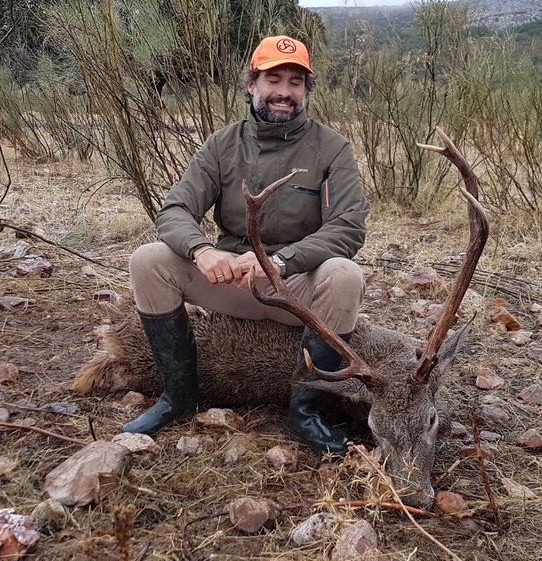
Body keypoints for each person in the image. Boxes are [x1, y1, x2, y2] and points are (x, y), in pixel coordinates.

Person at [123, 35, 369, 453]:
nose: (284, 92)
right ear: (252, 84)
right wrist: (203, 251)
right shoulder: (222, 145)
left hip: (296, 287)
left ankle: (307, 412)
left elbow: (348, 227)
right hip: (231, 282)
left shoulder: (331, 148)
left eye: (295, 82)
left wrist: (283, 261)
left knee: (345, 275)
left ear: (306, 90)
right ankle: (178, 397)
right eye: (273, 79)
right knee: (148, 260)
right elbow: (175, 210)